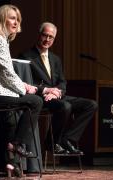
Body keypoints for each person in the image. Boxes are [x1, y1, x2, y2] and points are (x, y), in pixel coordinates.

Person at [0, 4, 43, 177]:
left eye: (18, 19)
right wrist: (25, 89)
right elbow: (6, 72)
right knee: (36, 102)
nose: (16, 22)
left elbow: (6, 72)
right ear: (2, 19)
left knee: (11, 120)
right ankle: (18, 145)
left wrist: (24, 87)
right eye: (12, 18)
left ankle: (11, 164)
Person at [18, 22, 98, 155]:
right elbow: (26, 83)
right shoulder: (26, 56)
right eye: (45, 35)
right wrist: (47, 91)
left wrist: (58, 93)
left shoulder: (56, 59)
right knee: (65, 107)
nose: (47, 40)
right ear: (39, 35)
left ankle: (68, 139)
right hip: (40, 97)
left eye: (51, 37)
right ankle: (52, 143)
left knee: (91, 105)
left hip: (57, 97)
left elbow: (62, 82)